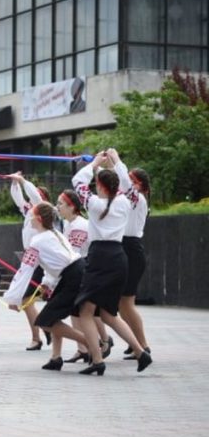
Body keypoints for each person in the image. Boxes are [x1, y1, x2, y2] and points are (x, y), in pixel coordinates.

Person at [71, 151, 152, 375]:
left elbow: (77, 181)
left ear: (100, 185)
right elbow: (126, 185)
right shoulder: (126, 202)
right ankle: (140, 351)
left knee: (85, 311)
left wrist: (96, 163)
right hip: (119, 257)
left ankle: (97, 360)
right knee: (106, 313)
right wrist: (114, 162)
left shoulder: (94, 203)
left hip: (100, 257)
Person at [2, 203, 89, 371]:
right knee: (54, 315)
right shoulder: (54, 233)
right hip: (75, 272)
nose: (29, 220)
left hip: (72, 276)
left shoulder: (37, 241)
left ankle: (89, 342)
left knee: (45, 321)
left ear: (39, 219)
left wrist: (14, 298)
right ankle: (56, 358)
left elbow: (25, 271)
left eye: (32, 216)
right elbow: (55, 261)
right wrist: (47, 283)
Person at [56, 189, 113, 363]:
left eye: (60, 204)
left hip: (86, 270)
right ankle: (84, 348)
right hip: (79, 269)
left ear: (71, 206)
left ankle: (103, 341)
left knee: (89, 312)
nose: (57, 207)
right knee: (80, 311)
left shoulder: (79, 225)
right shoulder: (68, 224)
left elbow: (74, 253)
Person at [111, 152, 152, 359]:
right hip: (125, 249)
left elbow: (124, 184)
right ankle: (136, 343)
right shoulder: (130, 199)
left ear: (141, 185)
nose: (128, 183)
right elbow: (116, 184)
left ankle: (142, 345)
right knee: (122, 303)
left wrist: (115, 159)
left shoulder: (138, 198)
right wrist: (100, 166)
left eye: (132, 180)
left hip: (131, 251)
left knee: (126, 303)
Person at [6, 171, 50, 350]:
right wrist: (15, 183)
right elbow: (18, 199)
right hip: (29, 260)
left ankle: (41, 333)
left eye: (37, 197)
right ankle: (44, 329)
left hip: (40, 261)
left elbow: (33, 195)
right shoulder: (30, 213)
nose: (32, 200)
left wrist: (24, 181)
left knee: (26, 299)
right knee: (25, 300)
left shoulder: (46, 211)